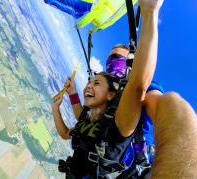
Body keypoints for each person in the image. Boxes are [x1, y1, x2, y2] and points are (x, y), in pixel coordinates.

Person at [52, 0, 164, 178]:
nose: (111, 64)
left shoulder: (127, 111)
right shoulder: (98, 113)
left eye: (116, 58)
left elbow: (139, 86)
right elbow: (73, 128)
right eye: (109, 60)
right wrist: (69, 96)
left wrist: (150, 13)